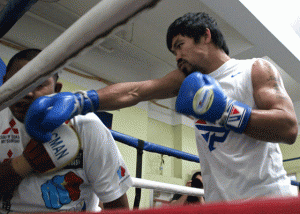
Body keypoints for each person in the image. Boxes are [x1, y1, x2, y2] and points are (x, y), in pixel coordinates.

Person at [24, 12, 298, 202]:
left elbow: (288, 128)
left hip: (268, 196)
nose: (177, 57)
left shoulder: (254, 69)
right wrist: (81, 101)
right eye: (173, 52)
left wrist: (226, 112)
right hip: (221, 202)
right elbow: (136, 91)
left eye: (180, 45)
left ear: (205, 35)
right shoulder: (185, 81)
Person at [0, 49, 132, 212]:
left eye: (39, 84)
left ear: (57, 89)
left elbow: (117, 205)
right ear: (4, 82)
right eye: (17, 82)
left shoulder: (86, 126)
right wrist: (25, 162)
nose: (27, 93)